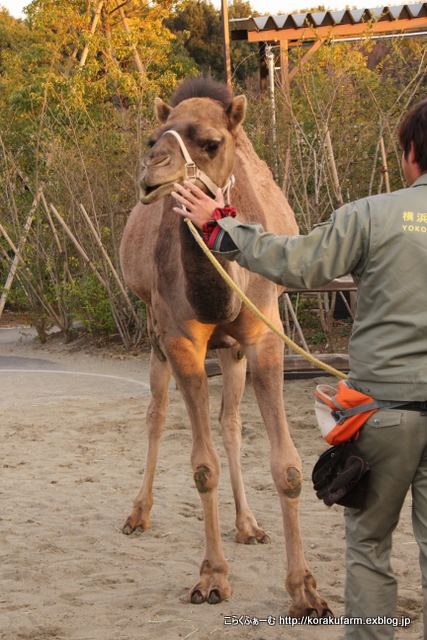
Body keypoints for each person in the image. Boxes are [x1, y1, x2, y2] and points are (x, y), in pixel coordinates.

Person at [171, 98, 427, 640]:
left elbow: (297, 262)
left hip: (384, 416)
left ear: (409, 153)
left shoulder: (372, 216)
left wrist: (220, 226)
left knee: (370, 545)